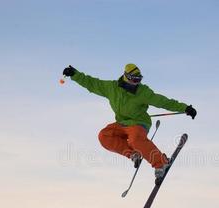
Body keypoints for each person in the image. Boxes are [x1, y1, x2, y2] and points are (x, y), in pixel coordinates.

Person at [63, 63, 197, 180]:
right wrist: (75, 74)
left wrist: (184, 108)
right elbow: (92, 83)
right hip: (122, 123)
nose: (136, 82)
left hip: (138, 123)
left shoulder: (143, 92)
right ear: (126, 77)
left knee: (135, 140)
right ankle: (133, 154)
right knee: (104, 135)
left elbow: (162, 101)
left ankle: (161, 163)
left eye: (139, 79)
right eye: (134, 79)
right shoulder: (111, 88)